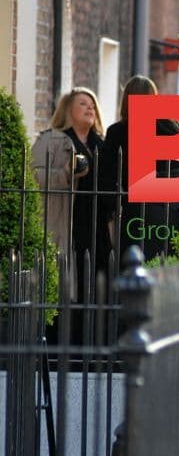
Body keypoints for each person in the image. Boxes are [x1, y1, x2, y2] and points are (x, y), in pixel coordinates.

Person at [31, 87, 112, 306]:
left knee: (97, 289)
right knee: (66, 291)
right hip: (66, 225)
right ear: (68, 110)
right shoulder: (51, 140)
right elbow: (32, 177)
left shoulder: (104, 145)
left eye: (93, 104)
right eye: (83, 103)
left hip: (99, 227)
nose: (90, 108)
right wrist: (65, 172)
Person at [99, 75, 179, 264]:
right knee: (167, 269)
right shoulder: (171, 127)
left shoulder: (117, 131)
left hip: (135, 212)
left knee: (135, 270)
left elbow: (106, 177)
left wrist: (120, 199)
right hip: (169, 210)